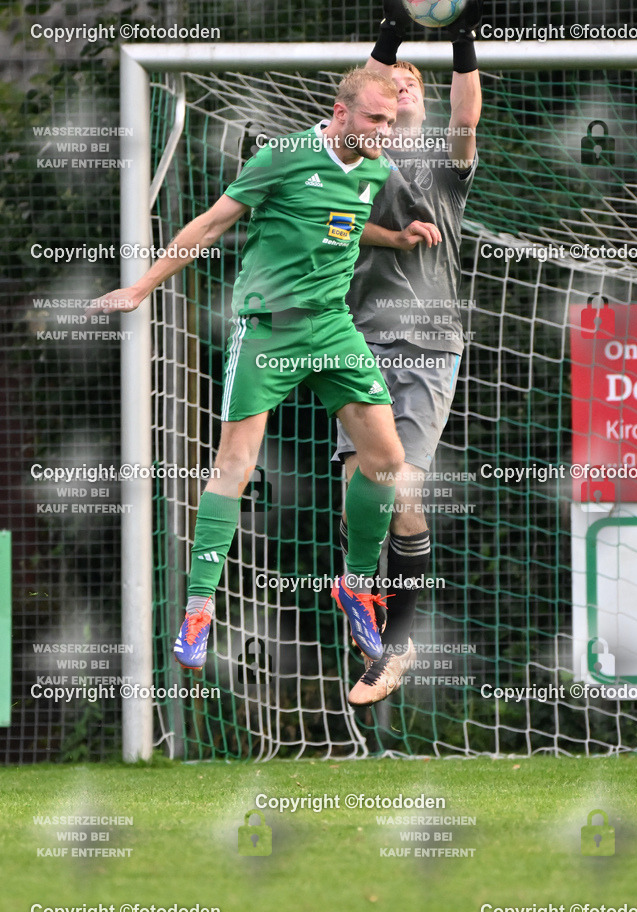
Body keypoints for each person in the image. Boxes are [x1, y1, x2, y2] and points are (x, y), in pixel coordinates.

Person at [90, 67, 415, 671]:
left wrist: (394, 241)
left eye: (391, 121)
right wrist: (139, 289)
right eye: (375, 119)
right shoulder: (282, 156)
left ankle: (356, 583)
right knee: (236, 464)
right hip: (269, 330)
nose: (384, 131)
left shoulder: (372, 167)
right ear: (340, 113)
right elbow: (212, 224)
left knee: (388, 460)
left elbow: (336, 224)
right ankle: (198, 607)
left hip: (332, 328)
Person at [332, 0, 486, 706]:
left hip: (426, 344)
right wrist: (388, 39)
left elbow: (465, 116)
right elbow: (335, 216)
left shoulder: (446, 171)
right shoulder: (359, 161)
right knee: (356, 491)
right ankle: (369, 610)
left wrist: (460, 40)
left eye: (409, 88)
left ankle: (396, 645)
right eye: (390, 89)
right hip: (357, 341)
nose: (400, 93)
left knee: (402, 488)